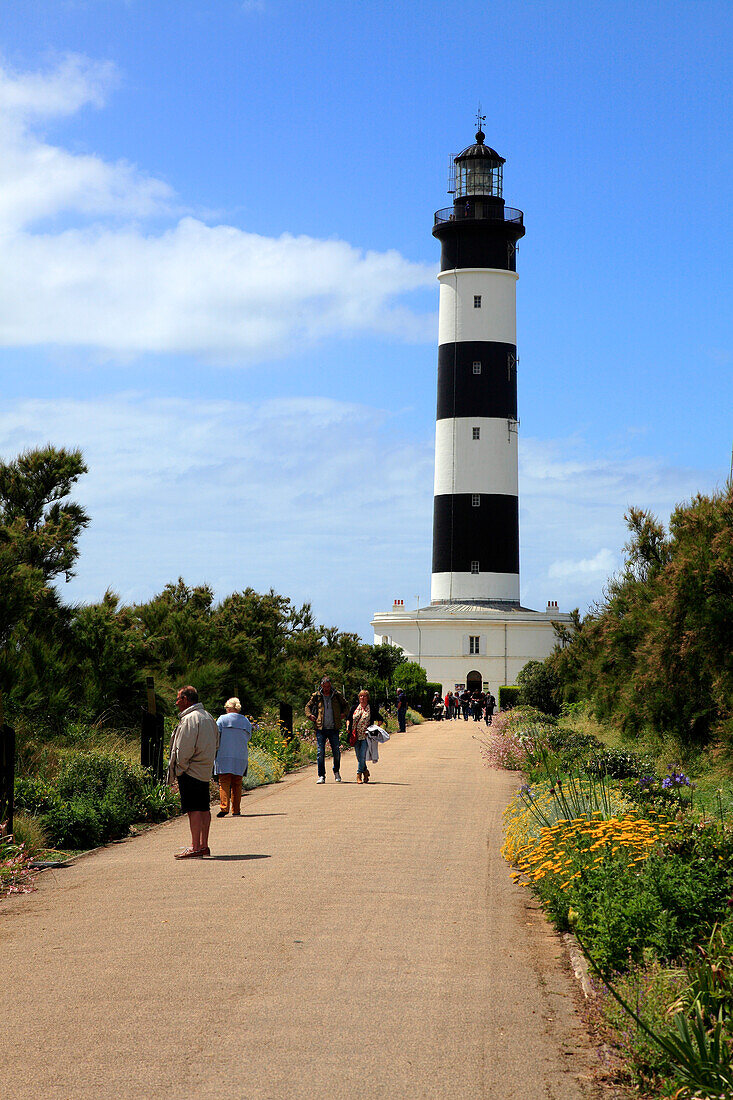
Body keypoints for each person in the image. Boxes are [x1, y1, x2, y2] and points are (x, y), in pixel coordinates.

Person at [168, 685, 219, 859]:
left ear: (186, 699)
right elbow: (217, 744)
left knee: (194, 810)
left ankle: (195, 846)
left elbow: (183, 749)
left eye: (178, 698)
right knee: (204, 808)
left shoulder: (191, 718)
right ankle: (203, 845)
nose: (176, 702)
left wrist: (180, 769)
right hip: (205, 769)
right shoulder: (208, 717)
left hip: (191, 770)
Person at [305, 675, 348, 784]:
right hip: (321, 728)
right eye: (324, 687)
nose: (326, 689)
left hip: (334, 728)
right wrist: (309, 715)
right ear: (321, 686)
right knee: (320, 753)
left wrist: (344, 714)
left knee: (336, 752)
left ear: (330, 685)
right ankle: (321, 775)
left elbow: (346, 705)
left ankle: (336, 772)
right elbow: (307, 707)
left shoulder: (336, 695)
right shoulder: (317, 696)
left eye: (328, 687)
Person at [214, 697, 253, 817]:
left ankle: (224, 807)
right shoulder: (245, 721)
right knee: (237, 782)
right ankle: (236, 809)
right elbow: (248, 737)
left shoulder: (222, 719)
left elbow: (216, 735)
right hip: (240, 755)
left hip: (224, 754)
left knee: (224, 781)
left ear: (229, 708)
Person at [346, 689, 382, 784]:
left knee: (362, 755)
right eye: (361, 696)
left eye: (364, 696)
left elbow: (380, 719)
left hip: (366, 736)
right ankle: (365, 772)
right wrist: (348, 727)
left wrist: (374, 729)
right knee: (359, 756)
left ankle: (359, 775)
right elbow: (348, 718)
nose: (362, 698)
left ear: (367, 698)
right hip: (355, 735)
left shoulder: (371, 708)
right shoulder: (354, 707)